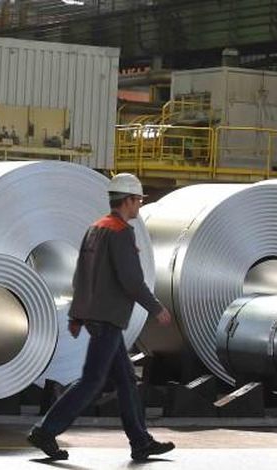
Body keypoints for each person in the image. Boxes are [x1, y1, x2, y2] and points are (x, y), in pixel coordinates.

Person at [27, 173, 175, 462]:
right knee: (93, 381)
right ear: (128, 200)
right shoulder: (120, 232)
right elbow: (132, 280)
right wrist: (156, 307)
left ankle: (140, 441)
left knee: (126, 380)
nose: (139, 207)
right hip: (108, 318)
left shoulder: (95, 228)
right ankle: (45, 430)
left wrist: (77, 313)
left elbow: (81, 274)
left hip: (101, 317)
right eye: (138, 201)